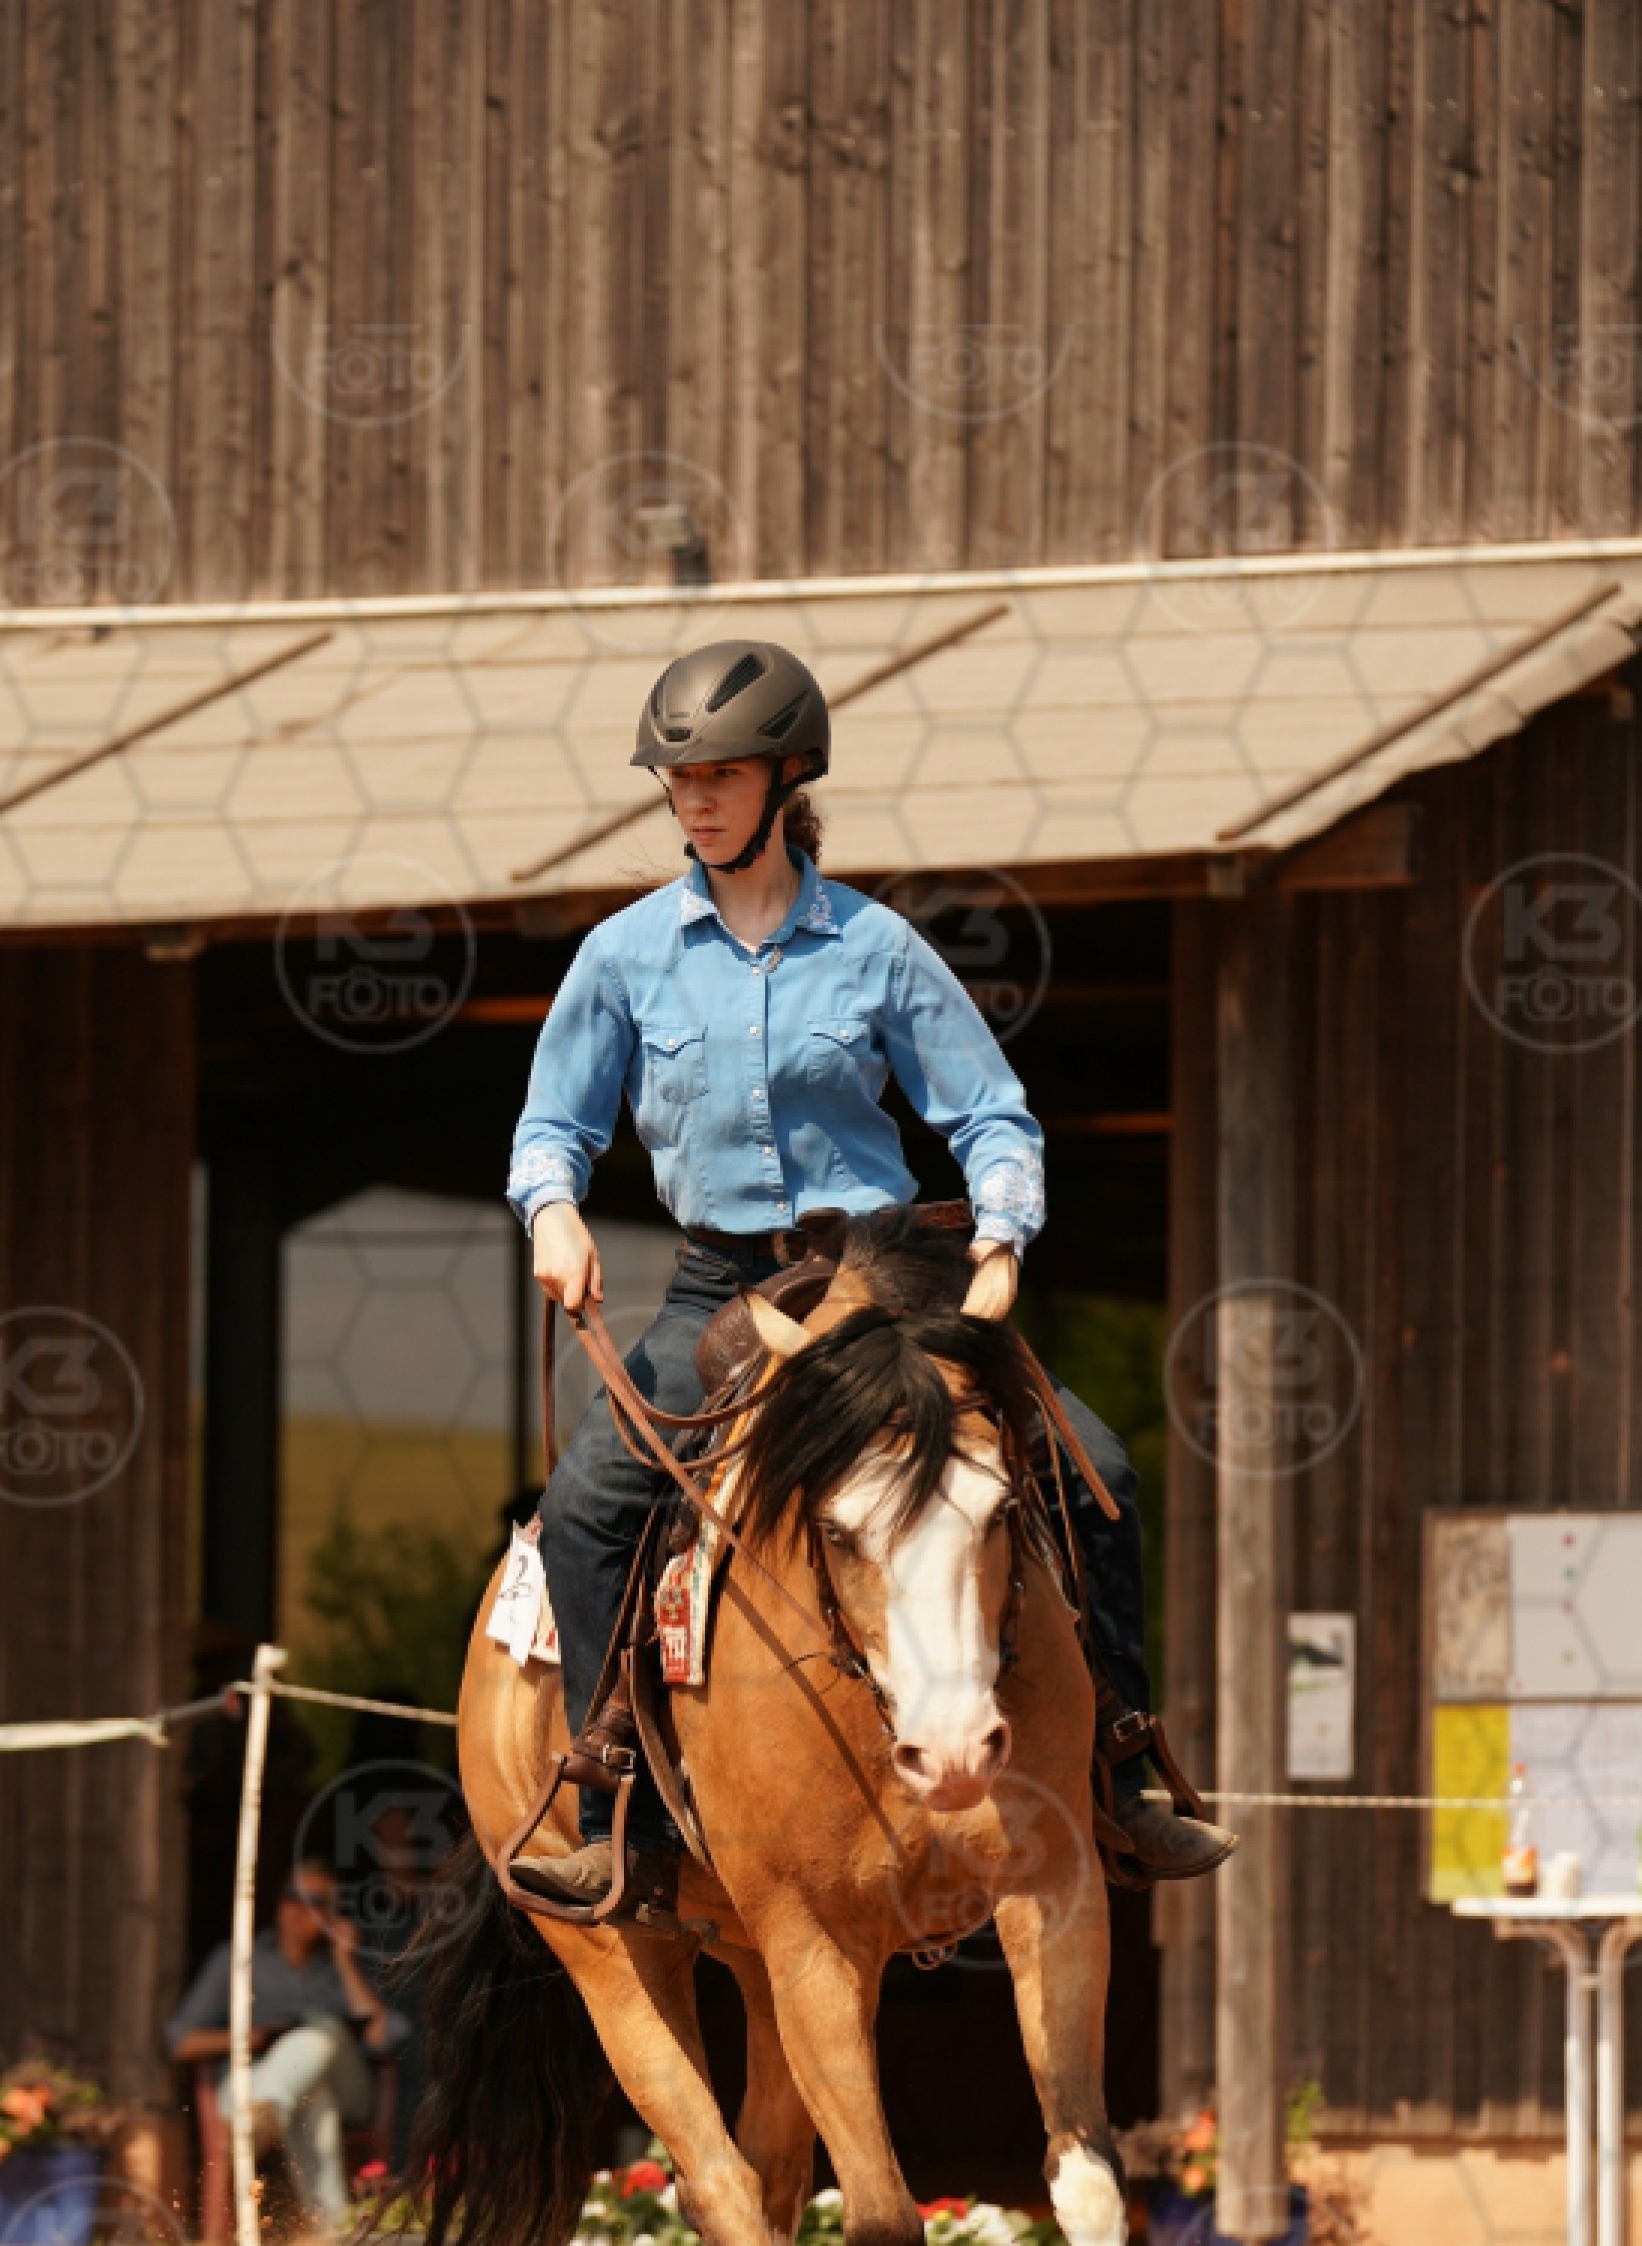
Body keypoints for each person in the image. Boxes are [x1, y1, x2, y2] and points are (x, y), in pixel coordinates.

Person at [505, 636, 1234, 1912]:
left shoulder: (879, 947)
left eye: (720, 775)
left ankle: (1122, 1769)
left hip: (885, 1279)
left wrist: (999, 1240)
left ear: (786, 777)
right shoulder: (620, 958)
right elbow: (549, 1128)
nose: (693, 800)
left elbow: (991, 1116)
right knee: (585, 1505)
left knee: (1099, 1470)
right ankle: (614, 1797)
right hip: (715, 1289)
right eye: (678, 779)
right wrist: (552, 1211)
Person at [168, 1859, 391, 2229]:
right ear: (277, 1902)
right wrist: (253, 2037)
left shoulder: (342, 1966)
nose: (301, 1908)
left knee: (322, 2032)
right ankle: (333, 2232)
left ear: (332, 1915)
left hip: (347, 2088)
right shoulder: (236, 1959)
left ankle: (267, 2111)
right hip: (249, 2086)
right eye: (293, 1896)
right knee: (314, 2096)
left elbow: (382, 2036)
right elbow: (182, 2042)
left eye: (316, 1901)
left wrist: (344, 1959)